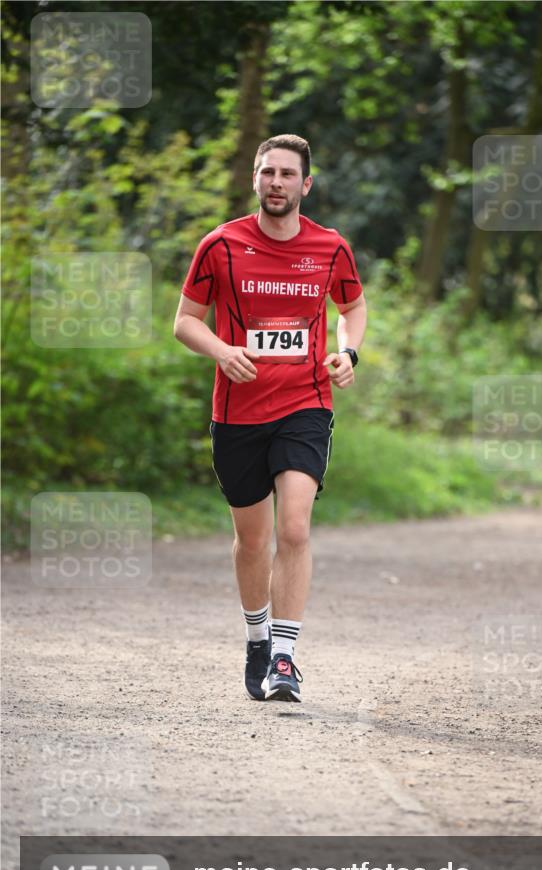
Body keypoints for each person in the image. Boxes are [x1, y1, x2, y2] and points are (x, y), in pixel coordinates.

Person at [174, 134, 367, 703]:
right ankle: (257, 637)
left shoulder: (331, 248)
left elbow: (351, 306)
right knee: (252, 541)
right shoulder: (222, 245)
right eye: (268, 173)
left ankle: (284, 657)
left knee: (294, 529)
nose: (276, 182)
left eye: (287, 174)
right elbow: (186, 320)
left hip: (306, 403)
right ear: (255, 180)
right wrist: (220, 350)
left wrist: (347, 352)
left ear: (306, 184)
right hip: (237, 412)